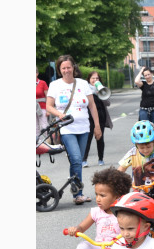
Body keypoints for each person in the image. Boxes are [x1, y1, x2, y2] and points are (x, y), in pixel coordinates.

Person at [65, 168, 133, 249]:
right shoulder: (96, 212)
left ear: (118, 196)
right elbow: (82, 227)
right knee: (82, 247)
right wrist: (75, 230)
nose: (98, 199)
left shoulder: (124, 212)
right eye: (96, 194)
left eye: (102, 195)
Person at [46, 54, 102, 205]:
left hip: (84, 128)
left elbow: (92, 106)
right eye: (63, 68)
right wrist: (60, 114)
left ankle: (77, 190)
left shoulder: (83, 84)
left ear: (73, 67)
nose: (66, 70)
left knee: (77, 161)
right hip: (66, 129)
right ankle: (78, 194)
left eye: (68, 67)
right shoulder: (55, 85)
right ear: (59, 69)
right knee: (76, 159)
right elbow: (49, 106)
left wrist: (97, 126)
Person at [118, 120, 154, 202]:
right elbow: (121, 169)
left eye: (149, 147)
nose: (145, 150)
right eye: (141, 148)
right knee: (132, 205)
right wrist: (115, 180)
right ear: (136, 145)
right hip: (139, 187)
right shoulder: (132, 153)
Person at [83, 71, 113, 167]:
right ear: (89, 80)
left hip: (101, 116)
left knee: (100, 137)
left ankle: (101, 159)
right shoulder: (85, 89)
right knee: (88, 138)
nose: (95, 80)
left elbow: (108, 103)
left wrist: (101, 93)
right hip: (88, 117)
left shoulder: (102, 89)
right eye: (93, 78)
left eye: (97, 78)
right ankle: (84, 160)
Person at [135, 67, 154, 146]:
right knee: (145, 130)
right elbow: (136, 81)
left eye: (148, 74)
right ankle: (146, 148)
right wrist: (141, 70)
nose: (147, 76)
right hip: (144, 110)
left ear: (152, 74)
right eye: (145, 75)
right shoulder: (143, 85)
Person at [36, 66, 49, 138]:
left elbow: (48, 97)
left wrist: (48, 109)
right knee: (35, 127)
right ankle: (37, 145)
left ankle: (46, 142)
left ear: (37, 73)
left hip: (42, 107)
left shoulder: (42, 83)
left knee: (44, 126)